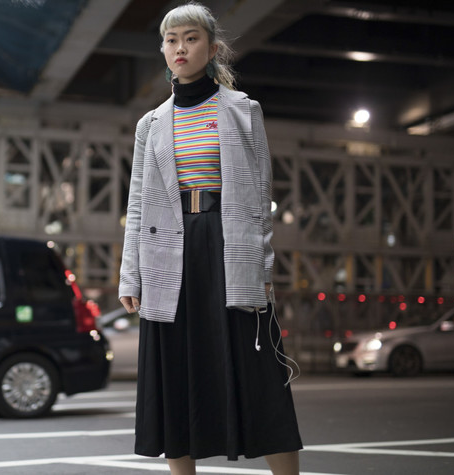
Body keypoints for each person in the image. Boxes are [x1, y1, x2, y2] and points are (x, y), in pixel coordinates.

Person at [118, 2, 303, 474]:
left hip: (227, 248)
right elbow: (138, 203)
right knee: (174, 376)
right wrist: (130, 276)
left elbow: (260, 194)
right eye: (171, 40)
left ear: (213, 48)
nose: (180, 47)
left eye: (191, 38)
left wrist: (263, 267)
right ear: (163, 50)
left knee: (259, 375)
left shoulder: (242, 110)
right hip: (167, 253)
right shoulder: (150, 125)